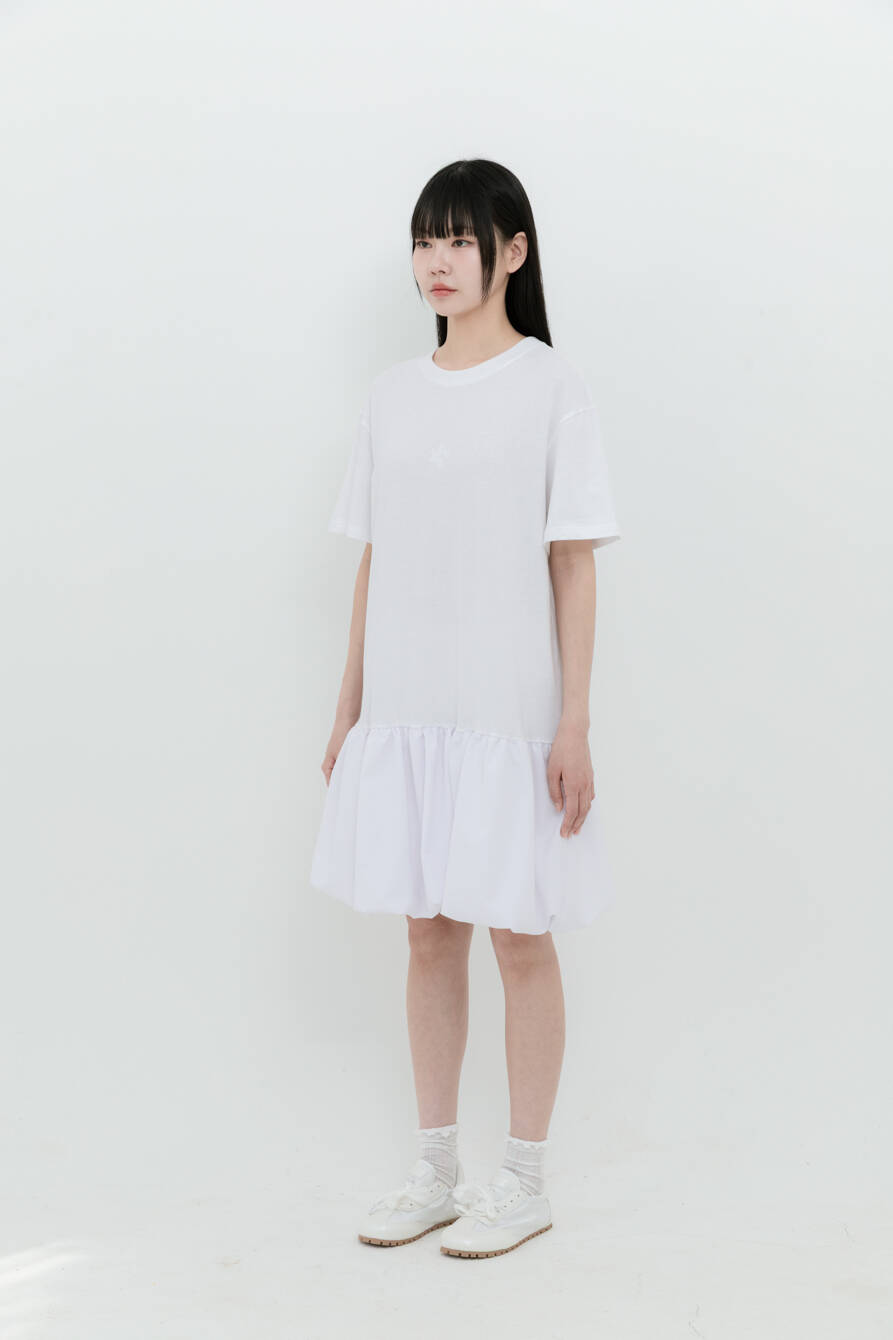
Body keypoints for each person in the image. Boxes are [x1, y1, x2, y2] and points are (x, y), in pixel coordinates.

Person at [309, 158, 621, 1258]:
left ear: (511, 252)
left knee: (519, 932)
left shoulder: (550, 386)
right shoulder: (391, 396)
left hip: (507, 707)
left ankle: (522, 1179)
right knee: (425, 929)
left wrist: (573, 721)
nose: (435, 262)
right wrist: (348, 707)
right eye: (423, 240)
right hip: (407, 700)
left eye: (458, 239)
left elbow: (572, 561)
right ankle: (435, 1169)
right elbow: (375, 557)